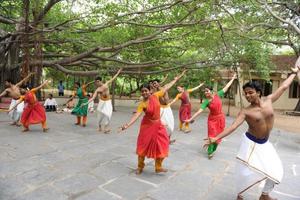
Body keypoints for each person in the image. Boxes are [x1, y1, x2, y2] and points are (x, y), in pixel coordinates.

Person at [204, 65, 300, 200]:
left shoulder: (269, 100)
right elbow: (233, 127)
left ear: (258, 92)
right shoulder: (245, 111)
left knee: (276, 170)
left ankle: (264, 195)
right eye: (245, 94)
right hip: (250, 143)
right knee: (245, 173)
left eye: (250, 92)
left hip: (265, 144)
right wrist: (215, 138)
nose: (247, 96)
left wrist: (293, 74)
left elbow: (283, 87)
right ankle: (240, 195)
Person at [119, 72, 184, 175]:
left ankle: (158, 167)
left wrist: (175, 79)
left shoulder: (156, 96)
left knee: (163, 145)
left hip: (158, 125)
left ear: (150, 91)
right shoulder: (142, 104)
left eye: (146, 91)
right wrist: (127, 125)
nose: (144, 93)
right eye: (142, 91)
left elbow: (166, 87)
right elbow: (137, 115)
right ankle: (140, 166)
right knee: (142, 147)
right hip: (147, 127)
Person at [185, 73, 237, 158]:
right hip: (212, 120)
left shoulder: (218, 94)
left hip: (220, 118)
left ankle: (213, 149)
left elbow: (226, 86)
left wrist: (233, 78)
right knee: (212, 135)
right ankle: (210, 152)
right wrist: (190, 119)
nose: (205, 92)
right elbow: (199, 111)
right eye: (204, 91)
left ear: (211, 91)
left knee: (218, 136)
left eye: (207, 91)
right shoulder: (206, 101)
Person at [152, 71, 186, 144]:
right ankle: (160, 140)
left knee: (170, 126)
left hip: (167, 108)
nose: (154, 84)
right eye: (153, 83)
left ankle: (167, 139)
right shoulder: (153, 92)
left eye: (155, 83)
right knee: (161, 125)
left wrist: (179, 76)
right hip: (160, 109)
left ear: (159, 83)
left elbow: (173, 82)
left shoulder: (165, 87)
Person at [85, 69, 122, 133]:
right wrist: (86, 103)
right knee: (99, 115)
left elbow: (113, 78)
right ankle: (99, 126)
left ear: (100, 81)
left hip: (108, 102)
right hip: (101, 102)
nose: (97, 83)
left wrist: (118, 72)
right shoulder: (97, 89)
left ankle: (105, 127)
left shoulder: (106, 84)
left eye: (98, 81)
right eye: (96, 82)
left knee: (108, 114)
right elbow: (93, 98)